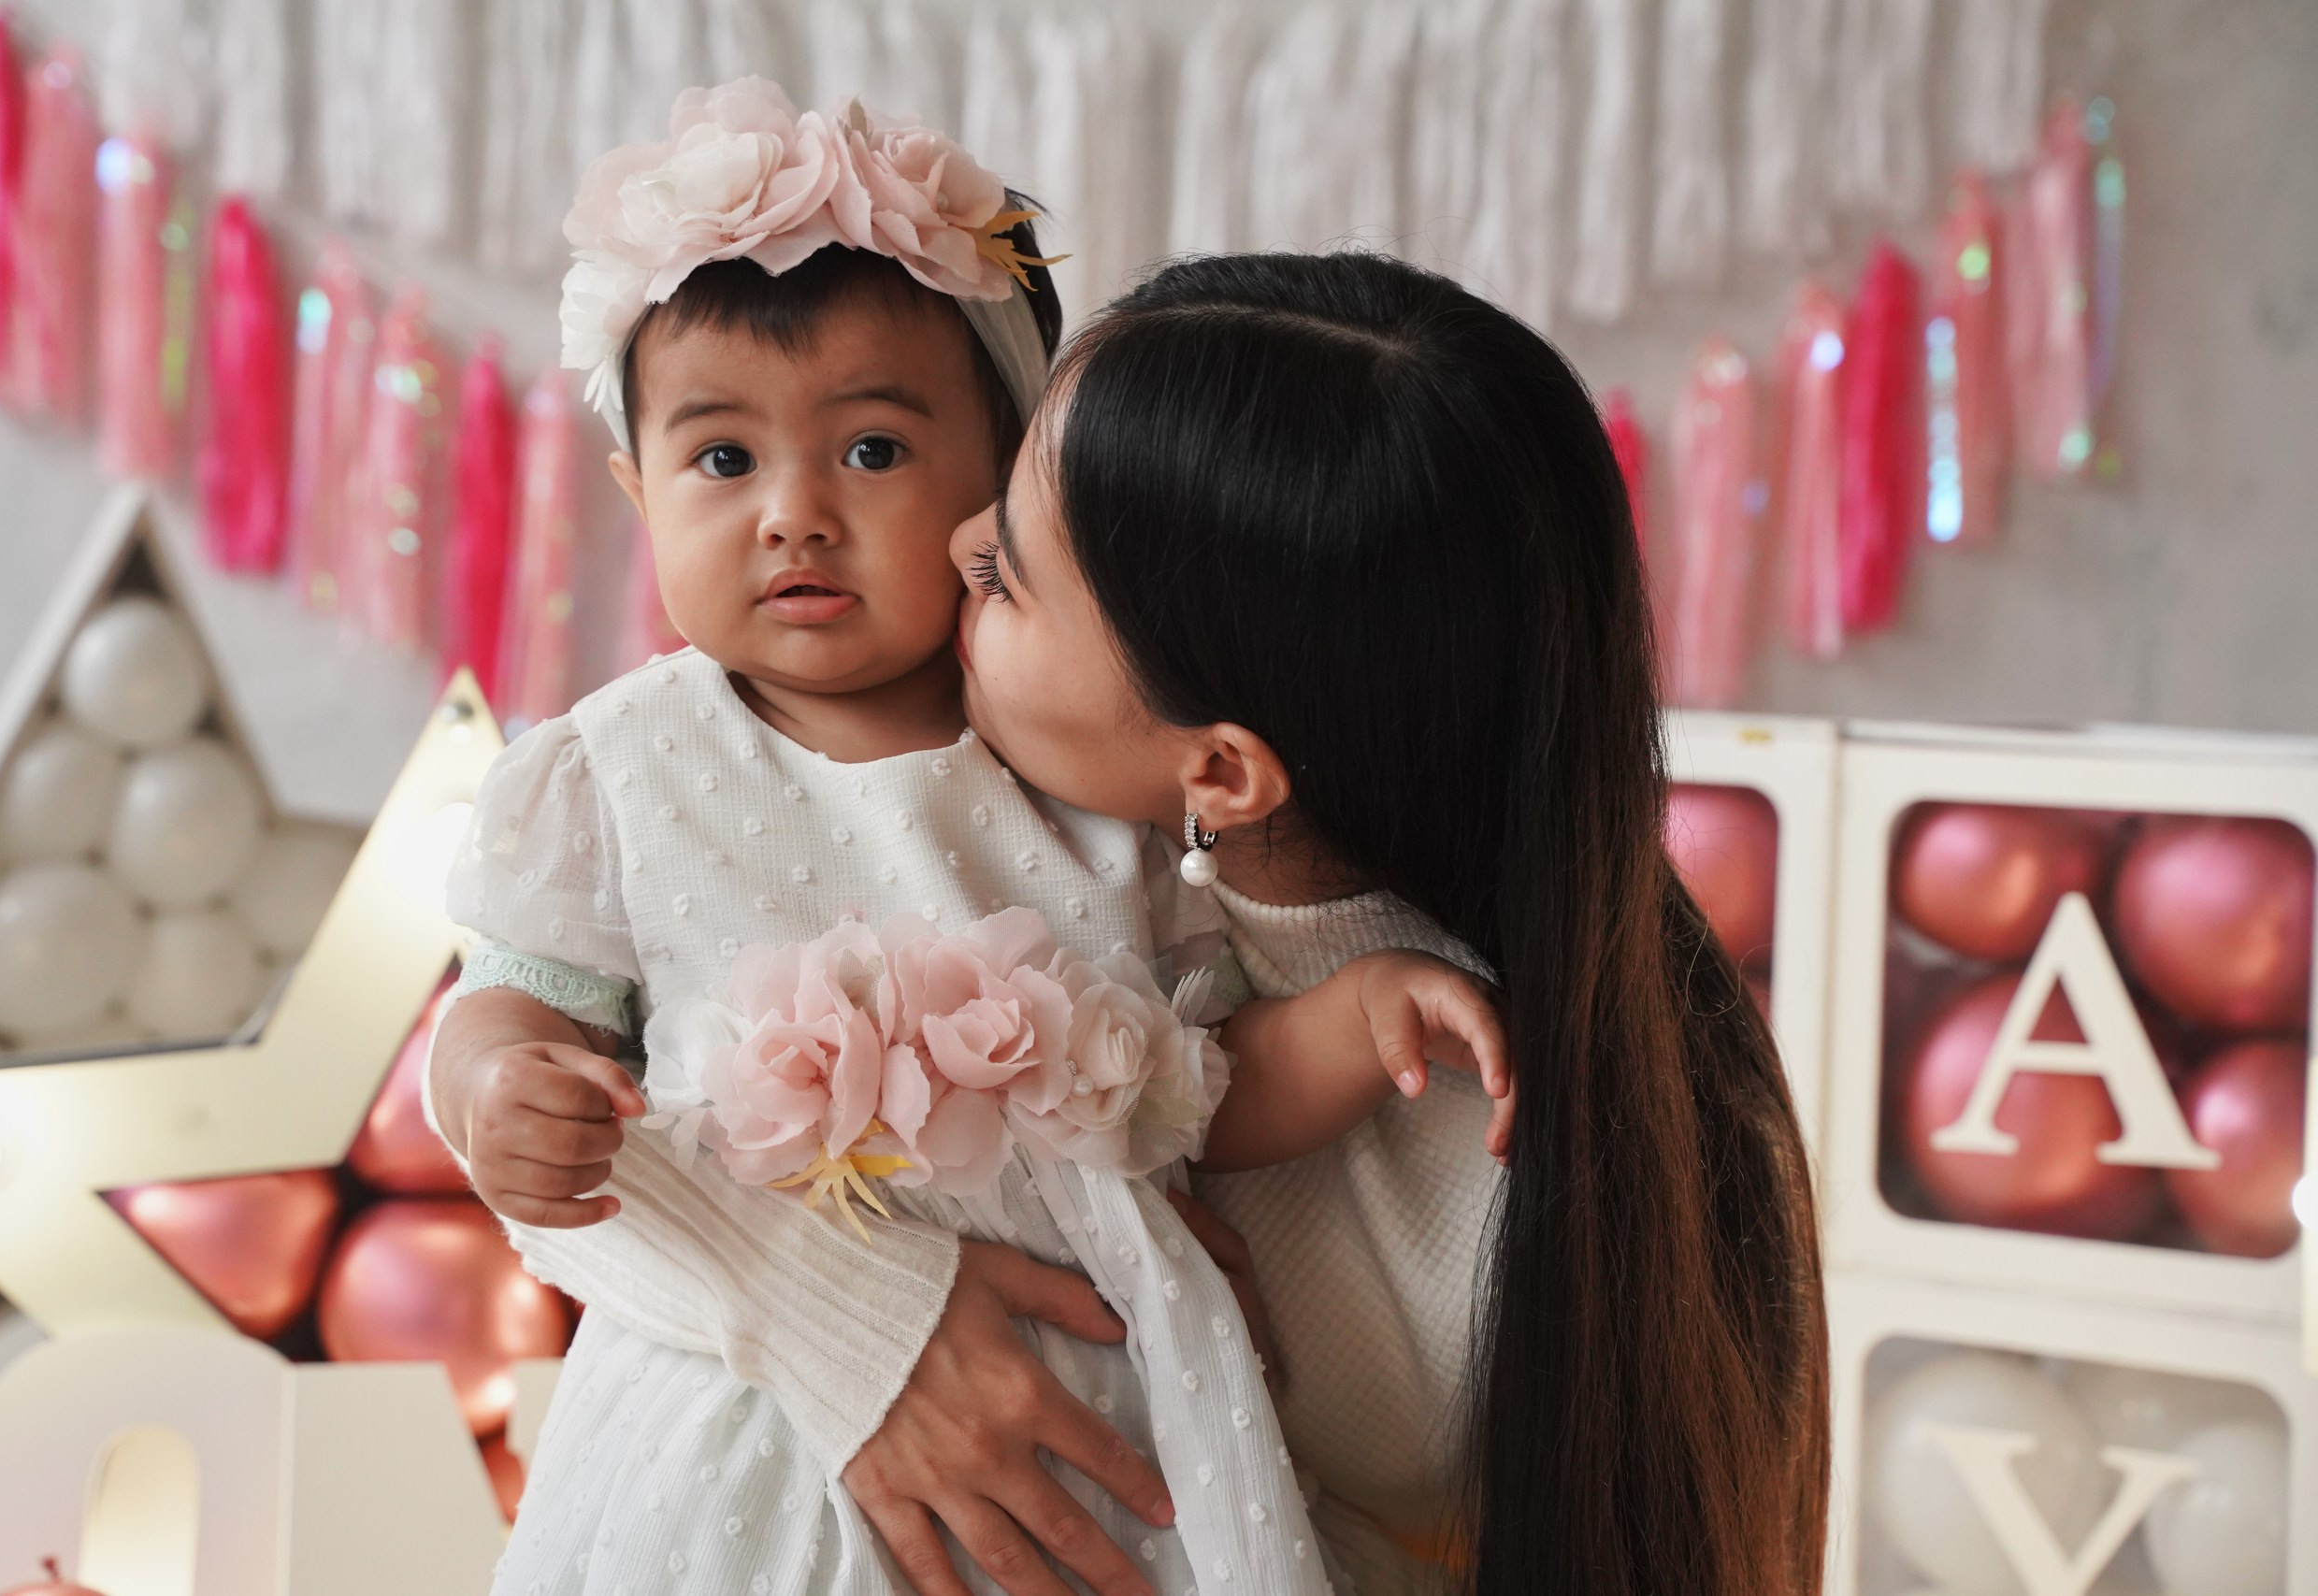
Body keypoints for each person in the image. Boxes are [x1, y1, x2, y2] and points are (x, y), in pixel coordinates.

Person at [428, 82, 1507, 1596]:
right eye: (723, 461)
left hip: (1107, 1421)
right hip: (739, 1431)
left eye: (869, 453)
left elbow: (1189, 1094)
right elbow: (517, 999)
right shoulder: (625, 768)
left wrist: (1355, 1018)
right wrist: (494, 1079)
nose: (793, 515)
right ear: (636, 489)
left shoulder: (1087, 780)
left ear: (1002, 475)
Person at [947, 251, 1831, 1595]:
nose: (954, 548)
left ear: (1221, 772)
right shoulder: (1008, 810)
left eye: (1007, 576)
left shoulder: (1536, 1164)